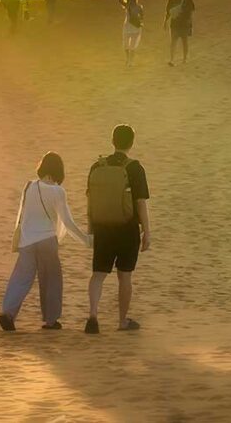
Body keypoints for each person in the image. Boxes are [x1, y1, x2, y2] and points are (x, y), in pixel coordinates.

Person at [0, 152, 91, 332]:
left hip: (27, 241)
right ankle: (51, 320)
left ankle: (8, 313)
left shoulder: (29, 187)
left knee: (20, 279)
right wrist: (86, 240)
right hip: (47, 240)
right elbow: (67, 222)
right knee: (51, 280)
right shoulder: (58, 191)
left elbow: (22, 216)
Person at [85, 124, 151, 334]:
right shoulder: (135, 168)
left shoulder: (97, 166)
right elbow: (140, 202)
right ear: (131, 143)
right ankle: (122, 321)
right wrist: (147, 231)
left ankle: (93, 315)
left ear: (112, 141)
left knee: (98, 274)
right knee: (125, 276)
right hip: (127, 228)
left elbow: (90, 200)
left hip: (102, 227)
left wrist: (91, 228)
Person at [164, 0, 195, 66]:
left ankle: (183, 59)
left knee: (183, 42)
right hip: (176, 23)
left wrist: (190, 23)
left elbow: (191, 12)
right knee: (175, 42)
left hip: (183, 23)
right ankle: (173, 59)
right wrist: (165, 21)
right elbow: (168, 11)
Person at [119, 0, 143, 67]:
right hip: (128, 27)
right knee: (126, 45)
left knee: (132, 46)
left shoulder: (138, 7)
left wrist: (138, 21)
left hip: (135, 28)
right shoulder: (128, 6)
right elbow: (120, 0)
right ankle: (128, 59)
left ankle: (131, 61)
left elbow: (142, 16)